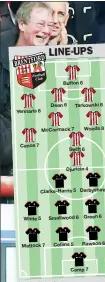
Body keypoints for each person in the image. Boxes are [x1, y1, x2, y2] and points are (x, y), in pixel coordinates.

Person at [1, 2, 52, 178]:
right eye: (40, 24)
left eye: (49, 25)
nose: (46, 31)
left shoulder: (48, 61)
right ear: (22, 24)